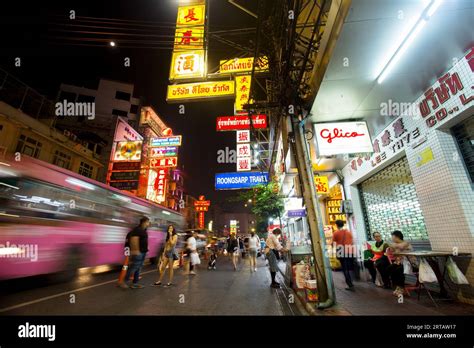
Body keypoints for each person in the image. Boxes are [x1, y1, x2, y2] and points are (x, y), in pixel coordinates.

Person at [119, 216, 150, 289]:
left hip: (143, 252)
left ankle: (135, 283)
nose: (148, 224)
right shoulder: (138, 230)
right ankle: (123, 282)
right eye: (148, 222)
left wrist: (146, 250)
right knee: (134, 267)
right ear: (144, 222)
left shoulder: (144, 230)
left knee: (138, 268)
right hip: (138, 252)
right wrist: (136, 251)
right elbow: (134, 240)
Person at [386, 230, 414, 296]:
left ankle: (401, 288)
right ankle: (398, 286)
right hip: (400, 262)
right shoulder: (395, 244)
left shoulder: (406, 243)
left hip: (409, 263)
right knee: (389, 269)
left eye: (392, 236)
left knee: (399, 270)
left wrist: (392, 245)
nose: (391, 238)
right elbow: (393, 253)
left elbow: (401, 246)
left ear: (397, 237)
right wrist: (392, 249)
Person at [332, 219, 355, 291]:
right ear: (343, 224)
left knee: (345, 268)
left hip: (341, 251)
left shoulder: (336, 233)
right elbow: (352, 242)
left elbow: (333, 243)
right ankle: (351, 281)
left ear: (336, 225)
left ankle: (349, 284)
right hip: (350, 251)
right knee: (350, 267)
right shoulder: (348, 232)